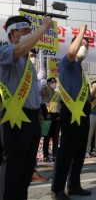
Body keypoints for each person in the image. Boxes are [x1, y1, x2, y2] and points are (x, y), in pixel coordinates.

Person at [0, 15, 53, 200]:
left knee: (26, 167)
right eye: (26, 32)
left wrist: (38, 109)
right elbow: (21, 48)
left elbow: (31, 91)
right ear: (13, 33)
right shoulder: (6, 50)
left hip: (31, 118)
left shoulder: (28, 62)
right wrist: (44, 27)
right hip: (15, 117)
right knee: (13, 166)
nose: (30, 36)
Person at [51, 24, 91, 200]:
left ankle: (74, 185)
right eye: (83, 44)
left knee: (80, 151)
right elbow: (72, 53)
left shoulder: (80, 69)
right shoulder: (67, 63)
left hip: (83, 112)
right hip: (71, 110)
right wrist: (81, 33)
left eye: (87, 46)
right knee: (66, 151)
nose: (85, 48)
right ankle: (57, 190)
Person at [41, 77, 61, 162]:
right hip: (48, 115)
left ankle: (55, 154)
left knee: (56, 136)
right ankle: (45, 155)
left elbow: (61, 103)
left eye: (55, 82)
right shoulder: (46, 91)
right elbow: (43, 95)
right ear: (48, 83)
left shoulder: (57, 93)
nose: (54, 83)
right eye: (52, 82)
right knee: (47, 136)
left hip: (57, 115)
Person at [85, 80, 96, 158]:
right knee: (89, 134)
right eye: (95, 86)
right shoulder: (89, 94)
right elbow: (91, 97)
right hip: (92, 115)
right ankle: (87, 151)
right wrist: (95, 87)